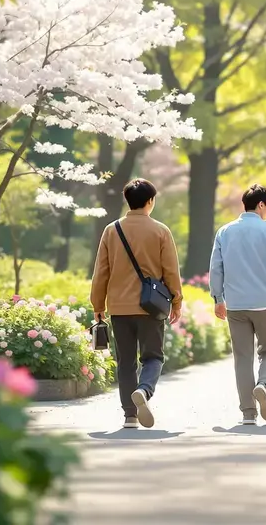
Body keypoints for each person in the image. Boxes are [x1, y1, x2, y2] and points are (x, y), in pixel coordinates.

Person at [89, 178, 183, 430]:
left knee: (126, 361)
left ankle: (130, 416)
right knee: (153, 357)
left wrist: (97, 304)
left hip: (119, 308)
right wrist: (177, 300)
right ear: (150, 201)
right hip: (150, 308)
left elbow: (101, 272)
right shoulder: (161, 231)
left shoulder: (111, 230)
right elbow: (170, 271)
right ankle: (145, 389)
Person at [208, 184, 266, 425]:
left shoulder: (224, 232)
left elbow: (216, 269)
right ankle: (264, 385)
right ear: (261, 204)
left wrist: (218, 299)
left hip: (235, 305)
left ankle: (248, 412)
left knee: (242, 357)